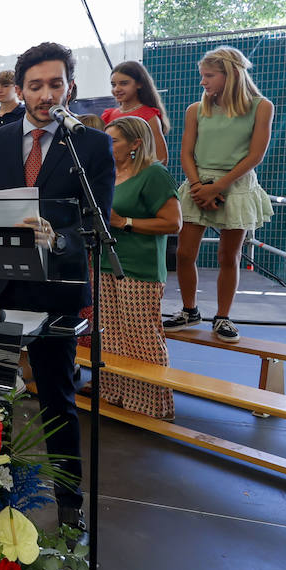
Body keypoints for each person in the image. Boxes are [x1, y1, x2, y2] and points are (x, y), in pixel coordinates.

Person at [0, 40, 114, 536]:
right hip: (0, 289)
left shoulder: (90, 145)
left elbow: (95, 225)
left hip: (58, 291)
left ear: (70, 87)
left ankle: (70, 506)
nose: (45, 93)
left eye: (55, 83)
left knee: (57, 399)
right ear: (21, 89)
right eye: (36, 85)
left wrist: (60, 237)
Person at [165, 46, 274, 342]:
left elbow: (255, 155)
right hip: (199, 183)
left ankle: (223, 317)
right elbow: (185, 152)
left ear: (231, 74)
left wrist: (219, 186)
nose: (203, 82)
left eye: (209, 75)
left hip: (235, 186)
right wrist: (200, 186)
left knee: (229, 255)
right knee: (184, 253)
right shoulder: (196, 110)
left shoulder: (261, 106)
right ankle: (190, 310)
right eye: (202, 76)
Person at [101, 116, 181, 418]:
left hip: (139, 268)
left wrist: (125, 222)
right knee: (109, 336)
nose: (109, 146)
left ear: (135, 144)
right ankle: (114, 394)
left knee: (141, 337)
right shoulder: (108, 173)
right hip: (105, 264)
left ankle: (152, 406)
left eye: (115, 141)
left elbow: (174, 223)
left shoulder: (154, 174)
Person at [103, 60, 171, 165]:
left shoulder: (148, 115)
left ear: (139, 84)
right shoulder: (109, 115)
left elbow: (161, 157)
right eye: (113, 85)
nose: (117, 89)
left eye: (124, 83)